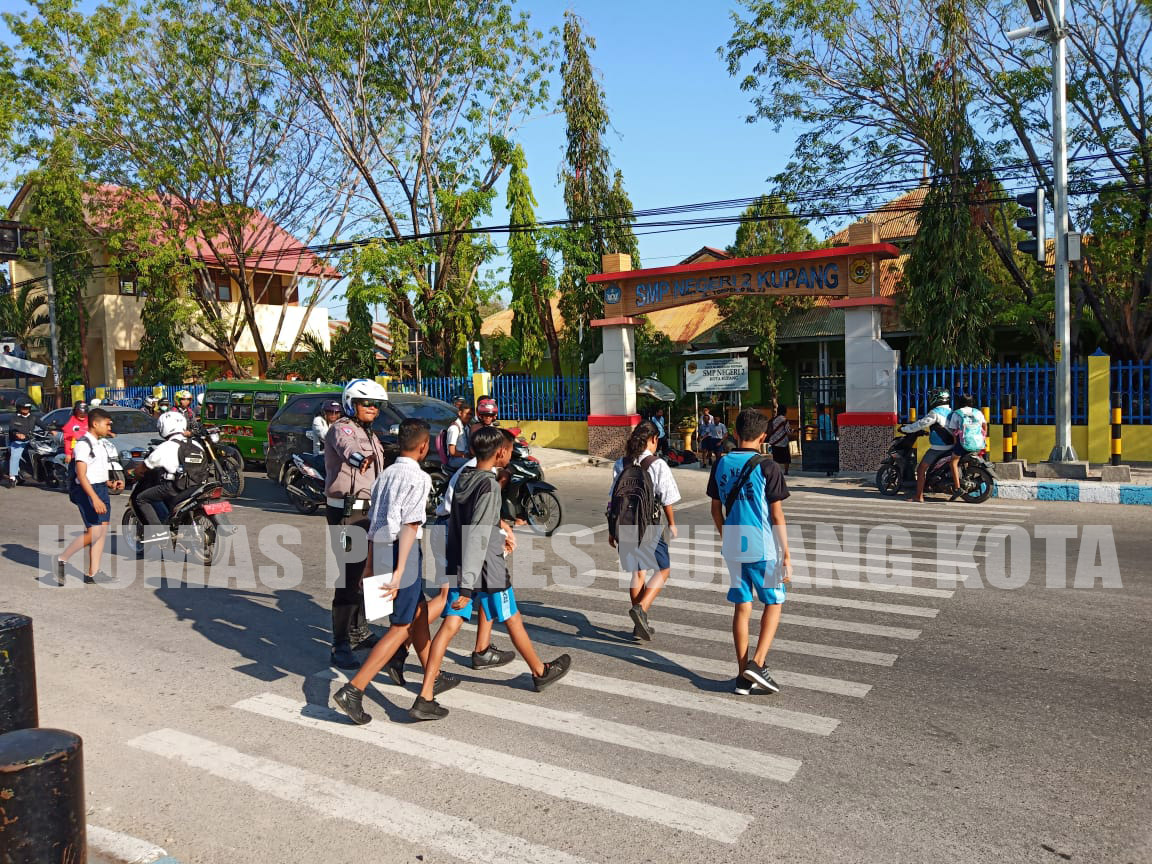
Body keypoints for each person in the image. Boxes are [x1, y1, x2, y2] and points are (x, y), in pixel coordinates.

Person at [410, 424, 571, 721]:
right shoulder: (488, 485)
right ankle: (540, 671)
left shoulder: (465, 478)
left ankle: (426, 694)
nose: (509, 453)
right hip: (485, 568)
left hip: (459, 562)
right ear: (500, 453)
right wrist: (470, 585)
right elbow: (478, 536)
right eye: (508, 449)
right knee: (512, 618)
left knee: (449, 625)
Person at [331, 418, 461, 725]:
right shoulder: (419, 478)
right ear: (424, 446)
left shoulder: (385, 475)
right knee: (401, 626)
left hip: (382, 548)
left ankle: (433, 676)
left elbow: (375, 521)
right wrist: (402, 570)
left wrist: (370, 565)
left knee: (416, 613)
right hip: (403, 552)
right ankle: (354, 689)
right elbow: (410, 526)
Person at [707, 408, 792, 695]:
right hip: (762, 546)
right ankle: (757, 663)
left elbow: (715, 510)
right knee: (774, 602)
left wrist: (726, 535)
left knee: (742, 607)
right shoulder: (769, 467)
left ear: (734, 433)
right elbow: (777, 516)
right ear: (764, 436)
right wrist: (787, 554)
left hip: (734, 543)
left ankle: (742, 675)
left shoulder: (720, 464)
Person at [432, 429, 516, 669]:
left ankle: (482, 649)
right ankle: (403, 642)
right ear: (498, 450)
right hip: (454, 530)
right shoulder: (482, 476)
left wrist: (500, 530)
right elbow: (475, 526)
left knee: (482, 592)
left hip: (457, 531)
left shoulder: (473, 471)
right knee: (450, 604)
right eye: (508, 450)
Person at [324, 379, 390, 669]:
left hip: (370, 512)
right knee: (349, 578)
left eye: (377, 404)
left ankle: (359, 631)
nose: (373, 408)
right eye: (367, 403)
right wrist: (357, 457)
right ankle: (339, 644)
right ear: (352, 403)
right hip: (348, 514)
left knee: (369, 573)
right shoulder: (343, 428)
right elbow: (346, 447)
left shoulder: (372, 434)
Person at [607, 420, 681, 641]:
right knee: (663, 569)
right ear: (653, 439)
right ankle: (641, 609)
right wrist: (672, 523)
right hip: (649, 524)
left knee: (637, 573)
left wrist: (612, 529)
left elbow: (613, 498)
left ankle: (639, 625)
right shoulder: (657, 464)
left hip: (625, 523)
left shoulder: (621, 463)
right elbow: (667, 499)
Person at [54, 407, 123, 585]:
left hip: (99, 488)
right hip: (86, 490)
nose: (110, 427)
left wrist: (110, 484)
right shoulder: (83, 444)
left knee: (102, 531)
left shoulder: (100, 444)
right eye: (107, 424)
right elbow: (81, 475)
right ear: (95, 423)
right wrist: (94, 497)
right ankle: (62, 558)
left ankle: (93, 573)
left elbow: (96, 471)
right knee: (94, 532)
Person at [134, 411, 204, 532]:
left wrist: (134, 472)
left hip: (174, 488)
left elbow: (145, 466)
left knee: (141, 498)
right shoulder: (196, 444)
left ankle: (158, 532)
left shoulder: (166, 446)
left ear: (163, 427)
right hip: (197, 486)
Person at [898, 388, 954, 503]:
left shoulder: (935, 413)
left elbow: (920, 424)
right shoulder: (952, 412)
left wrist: (905, 429)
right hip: (952, 447)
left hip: (938, 449)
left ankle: (919, 496)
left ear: (935, 399)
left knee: (920, 469)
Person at [946, 394, 987, 499]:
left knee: (953, 463)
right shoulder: (978, 412)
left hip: (963, 443)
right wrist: (982, 437)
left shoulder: (957, 413)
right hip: (978, 444)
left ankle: (957, 488)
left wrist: (956, 443)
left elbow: (954, 430)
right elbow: (984, 425)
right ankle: (967, 478)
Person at [6, 400, 36, 487]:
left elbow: (42, 425)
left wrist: (52, 430)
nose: (26, 410)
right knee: (15, 455)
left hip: (31, 440)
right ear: (19, 408)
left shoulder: (33, 417)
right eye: (24, 408)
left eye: (28, 408)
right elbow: (12, 428)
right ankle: (12, 477)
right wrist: (17, 434)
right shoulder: (14, 417)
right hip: (18, 442)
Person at [444, 403, 472, 469]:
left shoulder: (467, 427)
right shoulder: (454, 428)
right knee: (474, 465)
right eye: (467, 414)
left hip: (464, 456)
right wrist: (464, 455)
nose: (469, 416)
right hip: (455, 459)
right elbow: (452, 451)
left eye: (470, 414)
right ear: (460, 413)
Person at [768, 403, 791, 475]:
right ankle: (786, 471)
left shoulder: (773, 419)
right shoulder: (785, 420)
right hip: (783, 442)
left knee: (776, 458)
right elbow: (788, 431)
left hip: (774, 441)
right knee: (786, 458)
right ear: (785, 411)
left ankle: (776, 471)